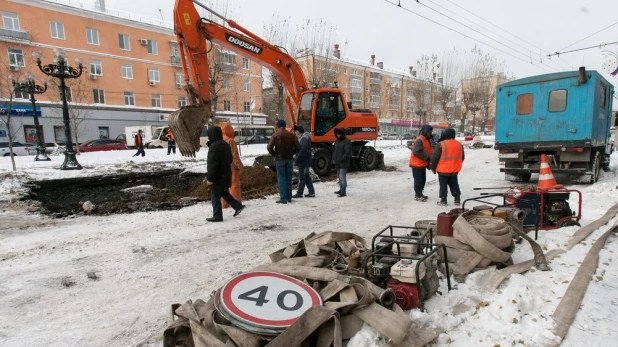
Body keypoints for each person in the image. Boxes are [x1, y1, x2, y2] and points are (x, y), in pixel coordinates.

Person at [205, 126, 245, 222]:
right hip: (226, 173)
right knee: (224, 193)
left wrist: (210, 179)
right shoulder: (225, 144)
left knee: (215, 195)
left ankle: (217, 216)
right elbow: (230, 159)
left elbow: (212, 165)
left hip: (217, 177)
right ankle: (238, 206)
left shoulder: (214, 147)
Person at [267, 119, 300, 204]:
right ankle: (289, 197)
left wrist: (275, 154)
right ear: (285, 126)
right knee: (289, 178)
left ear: (278, 126)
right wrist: (292, 153)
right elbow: (298, 147)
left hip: (280, 159)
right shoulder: (292, 135)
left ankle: (283, 198)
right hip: (289, 159)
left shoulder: (275, 135)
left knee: (281, 178)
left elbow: (269, 147)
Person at [430, 128, 464, 206]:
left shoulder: (441, 144)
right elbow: (462, 157)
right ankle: (457, 199)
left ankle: (443, 200)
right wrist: (456, 164)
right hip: (454, 170)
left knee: (443, 185)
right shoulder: (459, 144)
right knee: (454, 184)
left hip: (443, 170)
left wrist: (433, 168)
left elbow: (434, 158)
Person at [221, 123, 243, 208]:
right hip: (231, 166)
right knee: (234, 185)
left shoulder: (220, 140)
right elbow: (234, 155)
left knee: (224, 185)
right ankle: (236, 204)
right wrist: (240, 165)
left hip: (223, 166)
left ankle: (225, 204)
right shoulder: (230, 141)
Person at [409, 125, 433, 202]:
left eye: (431, 132)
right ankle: (418, 195)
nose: (430, 134)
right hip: (417, 165)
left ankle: (420, 193)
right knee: (419, 180)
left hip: (422, 164)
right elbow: (416, 152)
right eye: (429, 132)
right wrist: (427, 158)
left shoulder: (426, 139)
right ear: (425, 132)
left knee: (423, 180)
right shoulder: (420, 139)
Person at [292, 125, 315, 198]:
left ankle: (299, 193)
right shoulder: (302, 138)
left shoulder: (304, 138)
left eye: (295, 131)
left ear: (298, 131)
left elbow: (302, 150)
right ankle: (311, 192)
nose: (295, 133)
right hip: (305, 160)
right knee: (306, 176)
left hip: (304, 161)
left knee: (302, 177)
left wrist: (297, 158)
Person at [333, 127, 351, 197]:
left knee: (342, 177)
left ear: (342, 134)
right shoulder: (337, 141)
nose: (338, 135)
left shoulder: (347, 141)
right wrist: (334, 159)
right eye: (337, 134)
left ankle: (343, 191)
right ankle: (341, 189)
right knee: (340, 177)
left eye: (339, 134)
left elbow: (347, 152)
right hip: (338, 162)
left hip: (343, 162)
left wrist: (342, 159)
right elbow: (335, 151)